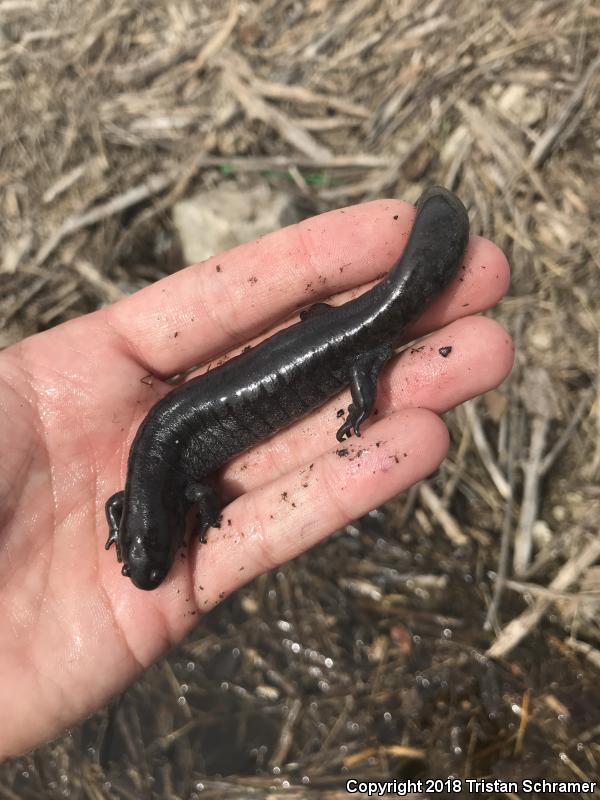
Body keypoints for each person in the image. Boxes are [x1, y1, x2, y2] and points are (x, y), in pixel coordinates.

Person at [0, 197, 512, 759]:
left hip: (344, 346)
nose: (156, 563)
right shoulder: (134, 498)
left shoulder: (166, 492)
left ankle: (382, 347)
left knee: (367, 362)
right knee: (365, 327)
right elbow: (137, 505)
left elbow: (196, 495)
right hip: (308, 349)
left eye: (142, 556)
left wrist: (358, 413)